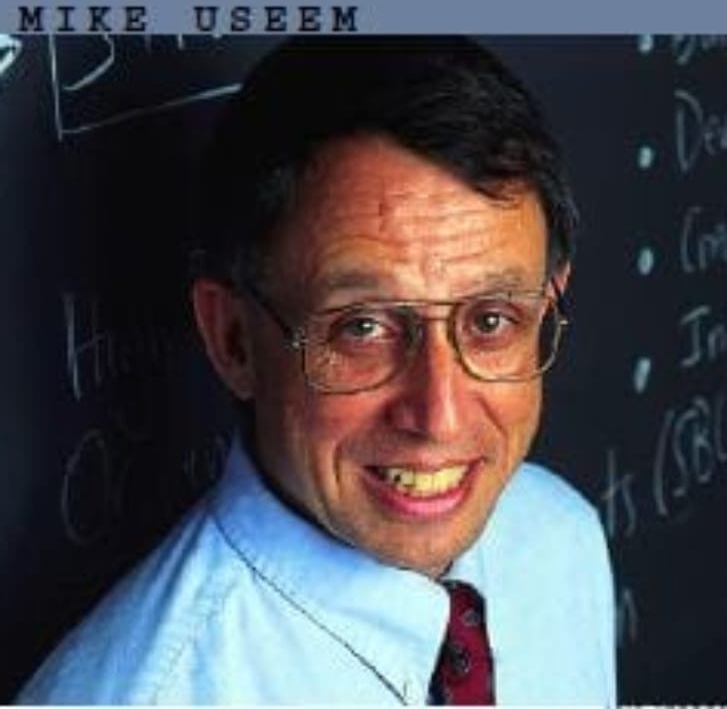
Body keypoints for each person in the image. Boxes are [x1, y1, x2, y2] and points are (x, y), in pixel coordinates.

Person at [17, 36, 616, 705]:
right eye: (362, 326)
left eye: (490, 320)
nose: (438, 414)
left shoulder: (559, 539)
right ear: (233, 339)